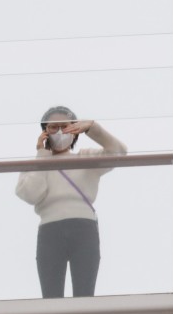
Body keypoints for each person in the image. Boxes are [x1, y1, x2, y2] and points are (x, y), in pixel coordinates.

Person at [16, 106, 127, 298]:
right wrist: (42, 155)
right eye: (53, 127)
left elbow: (119, 152)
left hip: (84, 227)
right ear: (44, 132)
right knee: (50, 297)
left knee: (85, 295)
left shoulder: (85, 157)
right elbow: (31, 194)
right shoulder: (35, 164)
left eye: (65, 127)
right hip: (50, 230)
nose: (60, 132)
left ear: (75, 131)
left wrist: (92, 128)